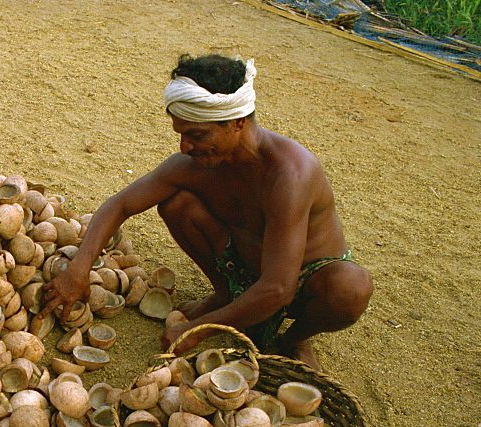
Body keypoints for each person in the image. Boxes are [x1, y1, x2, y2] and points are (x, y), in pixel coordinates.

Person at [38, 54, 372, 371]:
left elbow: (279, 287)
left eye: (197, 135)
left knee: (352, 288)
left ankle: (296, 339)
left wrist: (201, 328)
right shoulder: (197, 164)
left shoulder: (289, 174)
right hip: (248, 268)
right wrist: (80, 267)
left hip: (301, 283)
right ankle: (226, 295)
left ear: (238, 122)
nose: (185, 147)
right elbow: (121, 204)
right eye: (181, 134)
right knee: (177, 203)